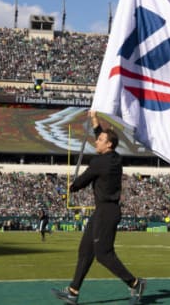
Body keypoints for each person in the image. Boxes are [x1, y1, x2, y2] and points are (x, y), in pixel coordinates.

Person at [52, 110, 146, 305]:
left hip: (106, 211)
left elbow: (82, 181)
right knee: (85, 251)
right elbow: (102, 139)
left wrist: (70, 187)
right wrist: (95, 121)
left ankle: (135, 283)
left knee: (103, 254)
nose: (96, 141)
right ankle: (73, 291)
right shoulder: (115, 158)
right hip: (103, 211)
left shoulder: (99, 162)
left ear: (108, 144)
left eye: (100, 140)